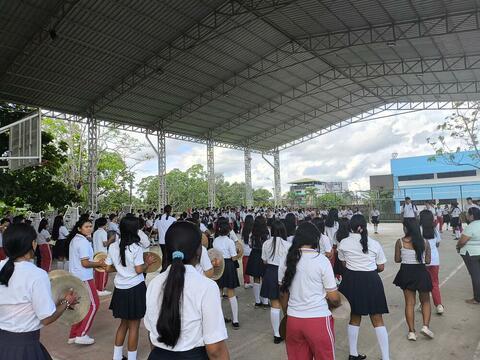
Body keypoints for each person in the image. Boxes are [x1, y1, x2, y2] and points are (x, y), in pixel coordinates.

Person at [144, 221, 230, 359]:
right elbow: (215, 350)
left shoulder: (154, 283)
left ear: (168, 250)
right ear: (199, 251)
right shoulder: (207, 287)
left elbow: (151, 334)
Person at [0, 223, 79, 359]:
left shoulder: (2, 266)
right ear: (32, 244)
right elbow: (46, 318)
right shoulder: (36, 274)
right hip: (25, 347)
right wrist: (67, 302)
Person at [278, 222, 341, 360]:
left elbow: (283, 293)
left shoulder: (286, 260)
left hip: (294, 320)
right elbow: (334, 297)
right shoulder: (321, 260)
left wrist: (287, 313)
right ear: (316, 239)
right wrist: (339, 303)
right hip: (318, 320)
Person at [337, 214, 390, 360]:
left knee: (354, 316)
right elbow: (381, 266)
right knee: (377, 318)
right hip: (371, 280)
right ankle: (386, 357)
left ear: (351, 227)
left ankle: (353, 354)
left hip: (352, 281)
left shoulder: (344, 243)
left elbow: (344, 264)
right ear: (364, 227)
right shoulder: (374, 244)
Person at [105, 215, 157, 360]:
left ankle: (117, 357)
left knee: (123, 324)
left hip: (120, 289)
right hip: (135, 288)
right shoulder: (136, 247)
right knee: (134, 326)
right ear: (135, 230)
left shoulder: (113, 246)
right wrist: (148, 262)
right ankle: (132, 358)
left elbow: (108, 268)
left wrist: (122, 269)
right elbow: (139, 270)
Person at [66, 218, 106, 345]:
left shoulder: (76, 240)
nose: (89, 228)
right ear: (79, 228)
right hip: (84, 278)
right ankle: (81, 334)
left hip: (76, 277)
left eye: (90, 226)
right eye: (86, 227)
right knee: (94, 305)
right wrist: (98, 264)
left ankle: (73, 335)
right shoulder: (82, 242)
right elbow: (85, 263)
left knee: (79, 307)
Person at [393, 219, 434, 341]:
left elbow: (397, 259)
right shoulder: (425, 242)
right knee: (425, 301)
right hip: (421, 272)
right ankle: (425, 326)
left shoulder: (400, 242)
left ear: (406, 228)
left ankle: (411, 332)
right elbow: (427, 261)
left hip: (406, 273)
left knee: (409, 303)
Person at [261, 220, 291, 344]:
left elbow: (264, 261)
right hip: (284, 274)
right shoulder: (288, 244)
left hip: (270, 272)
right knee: (287, 305)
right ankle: (289, 332)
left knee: (274, 305)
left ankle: (277, 335)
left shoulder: (266, 243)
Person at [213, 217, 240, 329]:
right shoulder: (229, 242)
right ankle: (235, 320)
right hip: (229, 266)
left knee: (219, 292)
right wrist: (238, 253)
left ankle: (219, 318)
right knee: (231, 292)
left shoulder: (215, 241)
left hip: (219, 266)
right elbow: (234, 258)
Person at [419, 210, 444, 315]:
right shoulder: (435, 230)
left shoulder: (419, 229)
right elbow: (438, 244)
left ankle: (423, 304)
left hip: (423, 260)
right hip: (434, 260)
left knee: (423, 284)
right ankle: (438, 305)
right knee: (434, 283)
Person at [456, 206, 480, 304]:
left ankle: (477, 298)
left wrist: (458, 247)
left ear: (472, 216)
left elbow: (462, 241)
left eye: (467, 214)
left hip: (471, 254)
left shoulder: (471, 226)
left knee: (475, 276)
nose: (466, 216)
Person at [246, 215, 269, 308]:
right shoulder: (267, 232)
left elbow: (250, 245)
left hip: (255, 255)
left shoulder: (252, 233)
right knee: (265, 277)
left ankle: (257, 301)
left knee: (256, 278)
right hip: (265, 255)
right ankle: (265, 301)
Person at [93, 217, 113, 296]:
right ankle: (101, 289)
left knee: (97, 273)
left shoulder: (95, 232)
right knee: (103, 272)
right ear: (105, 224)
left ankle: (97, 288)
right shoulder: (103, 232)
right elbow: (105, 244)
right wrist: (111, 239)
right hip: (102, 255)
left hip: (96, 254)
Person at [152, 205, 176, 269]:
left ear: (164, 210)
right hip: (171, 241)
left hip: (161, 241)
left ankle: (164, 268)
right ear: (170, 210)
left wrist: (160, 230)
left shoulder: (158, 219)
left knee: (164, 255)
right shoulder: (173, 219)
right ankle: (167, 269)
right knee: (169, 255)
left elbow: (154, 229)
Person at [241, 214, 254, 288]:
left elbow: (243, 239)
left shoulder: (243, 229)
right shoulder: (253, 229)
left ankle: (246, 282)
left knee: (245, 268)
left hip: (245, 251)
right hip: (252, 251)